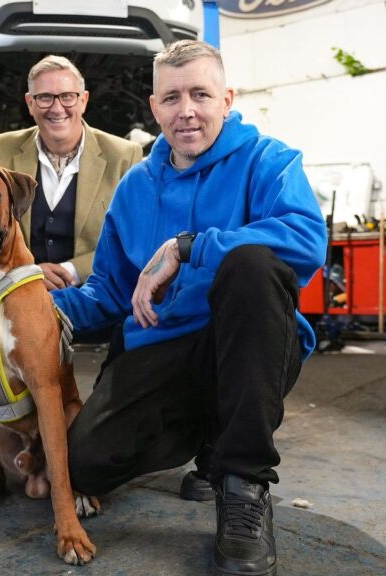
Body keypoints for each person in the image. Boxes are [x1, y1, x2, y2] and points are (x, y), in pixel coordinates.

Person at [51, 40, 327, 576]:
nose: (187, 111)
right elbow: (107, 292)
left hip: (247, 344)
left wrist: (189, 246)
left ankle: (243, 482)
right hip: (162, 347)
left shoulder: (268, 160)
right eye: (172, 98)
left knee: (251, 265)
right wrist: (28, 302)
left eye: (201, 94)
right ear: (154, 108)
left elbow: (306, 240)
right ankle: (211, 439)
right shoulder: (135, 188)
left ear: (227, 99)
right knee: (85, 464)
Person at [0, 55, 143, 291]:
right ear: (30, 103)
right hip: (19, 292)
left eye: (67, 96)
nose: (57, 108)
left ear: (83, 100)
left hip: (96, 294)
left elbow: (133, 238)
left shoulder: (124, 156)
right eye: (45, 97)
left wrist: (71, 270)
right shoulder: (0, 150)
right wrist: (28, 272)